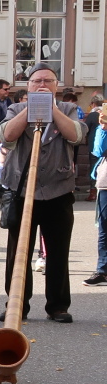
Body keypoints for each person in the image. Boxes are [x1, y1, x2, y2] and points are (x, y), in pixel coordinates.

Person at [0, 62, 85, 323]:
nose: (43, 85)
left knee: (58, 251)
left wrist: (52, 109)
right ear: (28, 86)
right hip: (23, 191)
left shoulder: (68, 109)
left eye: (48, 81)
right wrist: (31, 110)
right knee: (19, 253)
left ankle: (58, 306)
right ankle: (17, 305)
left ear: (57, 86)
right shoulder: (16, 109)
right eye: (37, 82)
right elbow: (6, 136)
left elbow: (76, 135)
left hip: (58, 190)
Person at [84, 111, 107, 287]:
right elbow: (98, 149)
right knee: (104, 228)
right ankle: (102, 270)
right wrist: (103, 127)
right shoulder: (103, 125)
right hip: (105, 183)